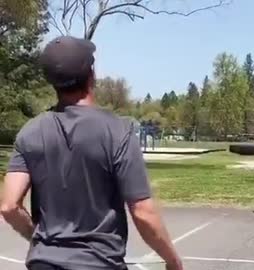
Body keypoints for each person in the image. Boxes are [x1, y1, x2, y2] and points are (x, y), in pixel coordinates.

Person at [0, 36, 183, 270]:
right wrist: (173, 261)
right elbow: (143, 212)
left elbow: (9, 206)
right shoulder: (118, 131)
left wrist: (37, 240)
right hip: (99, 263)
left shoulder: (30, 132)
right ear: (91, 74)